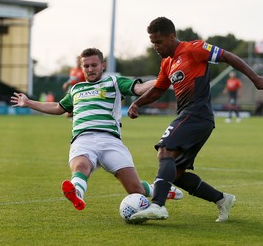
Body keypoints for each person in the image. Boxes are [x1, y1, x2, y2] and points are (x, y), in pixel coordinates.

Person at [127, 17, 263, 223]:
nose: (155, 47)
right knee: (176, 174)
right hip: (193, 117)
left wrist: (255, 78)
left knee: (165, 150)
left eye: (159, 42)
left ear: (171, 36)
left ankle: (158, 206)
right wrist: (137, 104)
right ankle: (222, 199)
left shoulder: (194, 48)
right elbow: (158, 90)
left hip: (197, 113)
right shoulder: (167, 63)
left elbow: (229, 56)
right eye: (153, 42)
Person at [11, 48, 182, 211]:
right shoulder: (76, 89)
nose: (90, 69)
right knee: (81, 165)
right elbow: (58, 107)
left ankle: (160, 189)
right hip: (83, 139)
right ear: (82, 67)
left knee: (135, 189)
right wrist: (28, 103)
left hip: (110, 140)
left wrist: (165, 78)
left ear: (103, 65)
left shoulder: (113, 82)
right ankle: (77, 192)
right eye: (86, 66)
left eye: (94, 65)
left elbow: (139, 88)